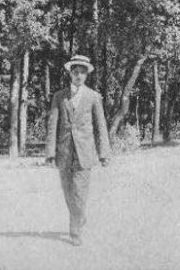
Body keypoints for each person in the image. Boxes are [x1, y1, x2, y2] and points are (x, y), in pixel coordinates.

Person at [45, 55, 112, 246]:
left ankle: (75, 230)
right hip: (64, 152)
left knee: (80, 193)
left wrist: (104, 154)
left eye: (83, 73)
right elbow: (52, 125)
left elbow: (101, 126)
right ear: (70, 73)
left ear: (86, 75)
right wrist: (50, 153)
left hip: (85, 153)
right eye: (76, 72)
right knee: (68, 193)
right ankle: (79, 217)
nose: (79, 76)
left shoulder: (93, 97)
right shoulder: (59, 97)